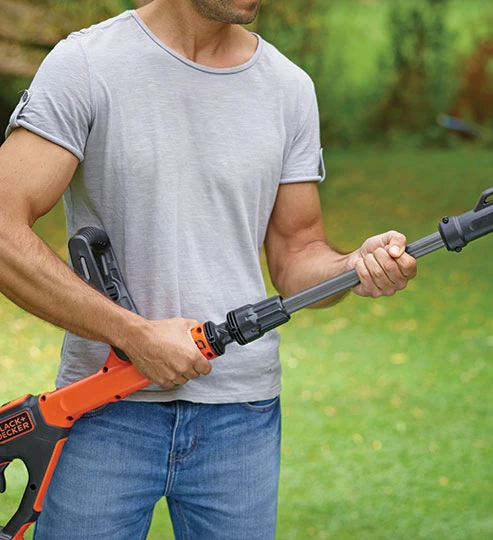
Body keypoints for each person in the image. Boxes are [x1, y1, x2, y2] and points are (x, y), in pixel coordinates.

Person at [0, 1, 417, 538]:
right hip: (103, 410)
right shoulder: (86, 65)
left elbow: (297, 252)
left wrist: (351, 266)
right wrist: (133, 335)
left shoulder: (288, 87)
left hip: (241, 416)